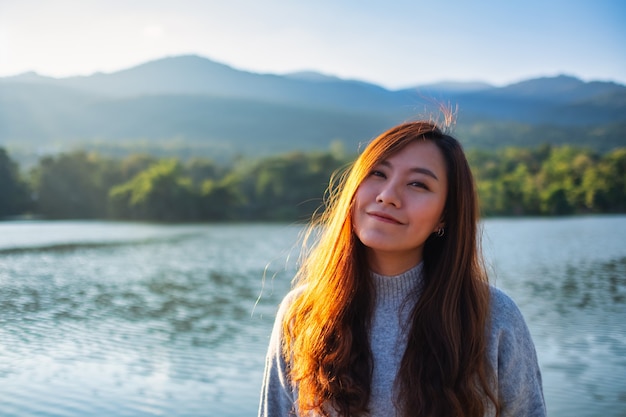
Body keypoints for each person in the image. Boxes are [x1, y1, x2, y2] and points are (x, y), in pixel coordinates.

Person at [258, 119, 546, 417]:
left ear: (444, 216)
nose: (387, 195)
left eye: (418, 184)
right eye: (377, 173)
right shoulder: (302, 313)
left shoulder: (493, 316)